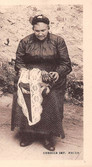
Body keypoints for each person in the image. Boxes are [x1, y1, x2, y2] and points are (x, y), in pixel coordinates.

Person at [11, 14, 72, 151]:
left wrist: (57, 73)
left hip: (52, 77)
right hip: (30, 75)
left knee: (50, 98)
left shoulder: (58, 41)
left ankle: (47, 136)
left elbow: (65, 63)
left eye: (43, 30)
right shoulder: (25, 41)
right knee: (24, 94)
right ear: (33, 29)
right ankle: (28, 133)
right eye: (37, 31)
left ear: (48, 28)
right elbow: (19, 62)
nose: (40, 34)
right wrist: (24, 72)